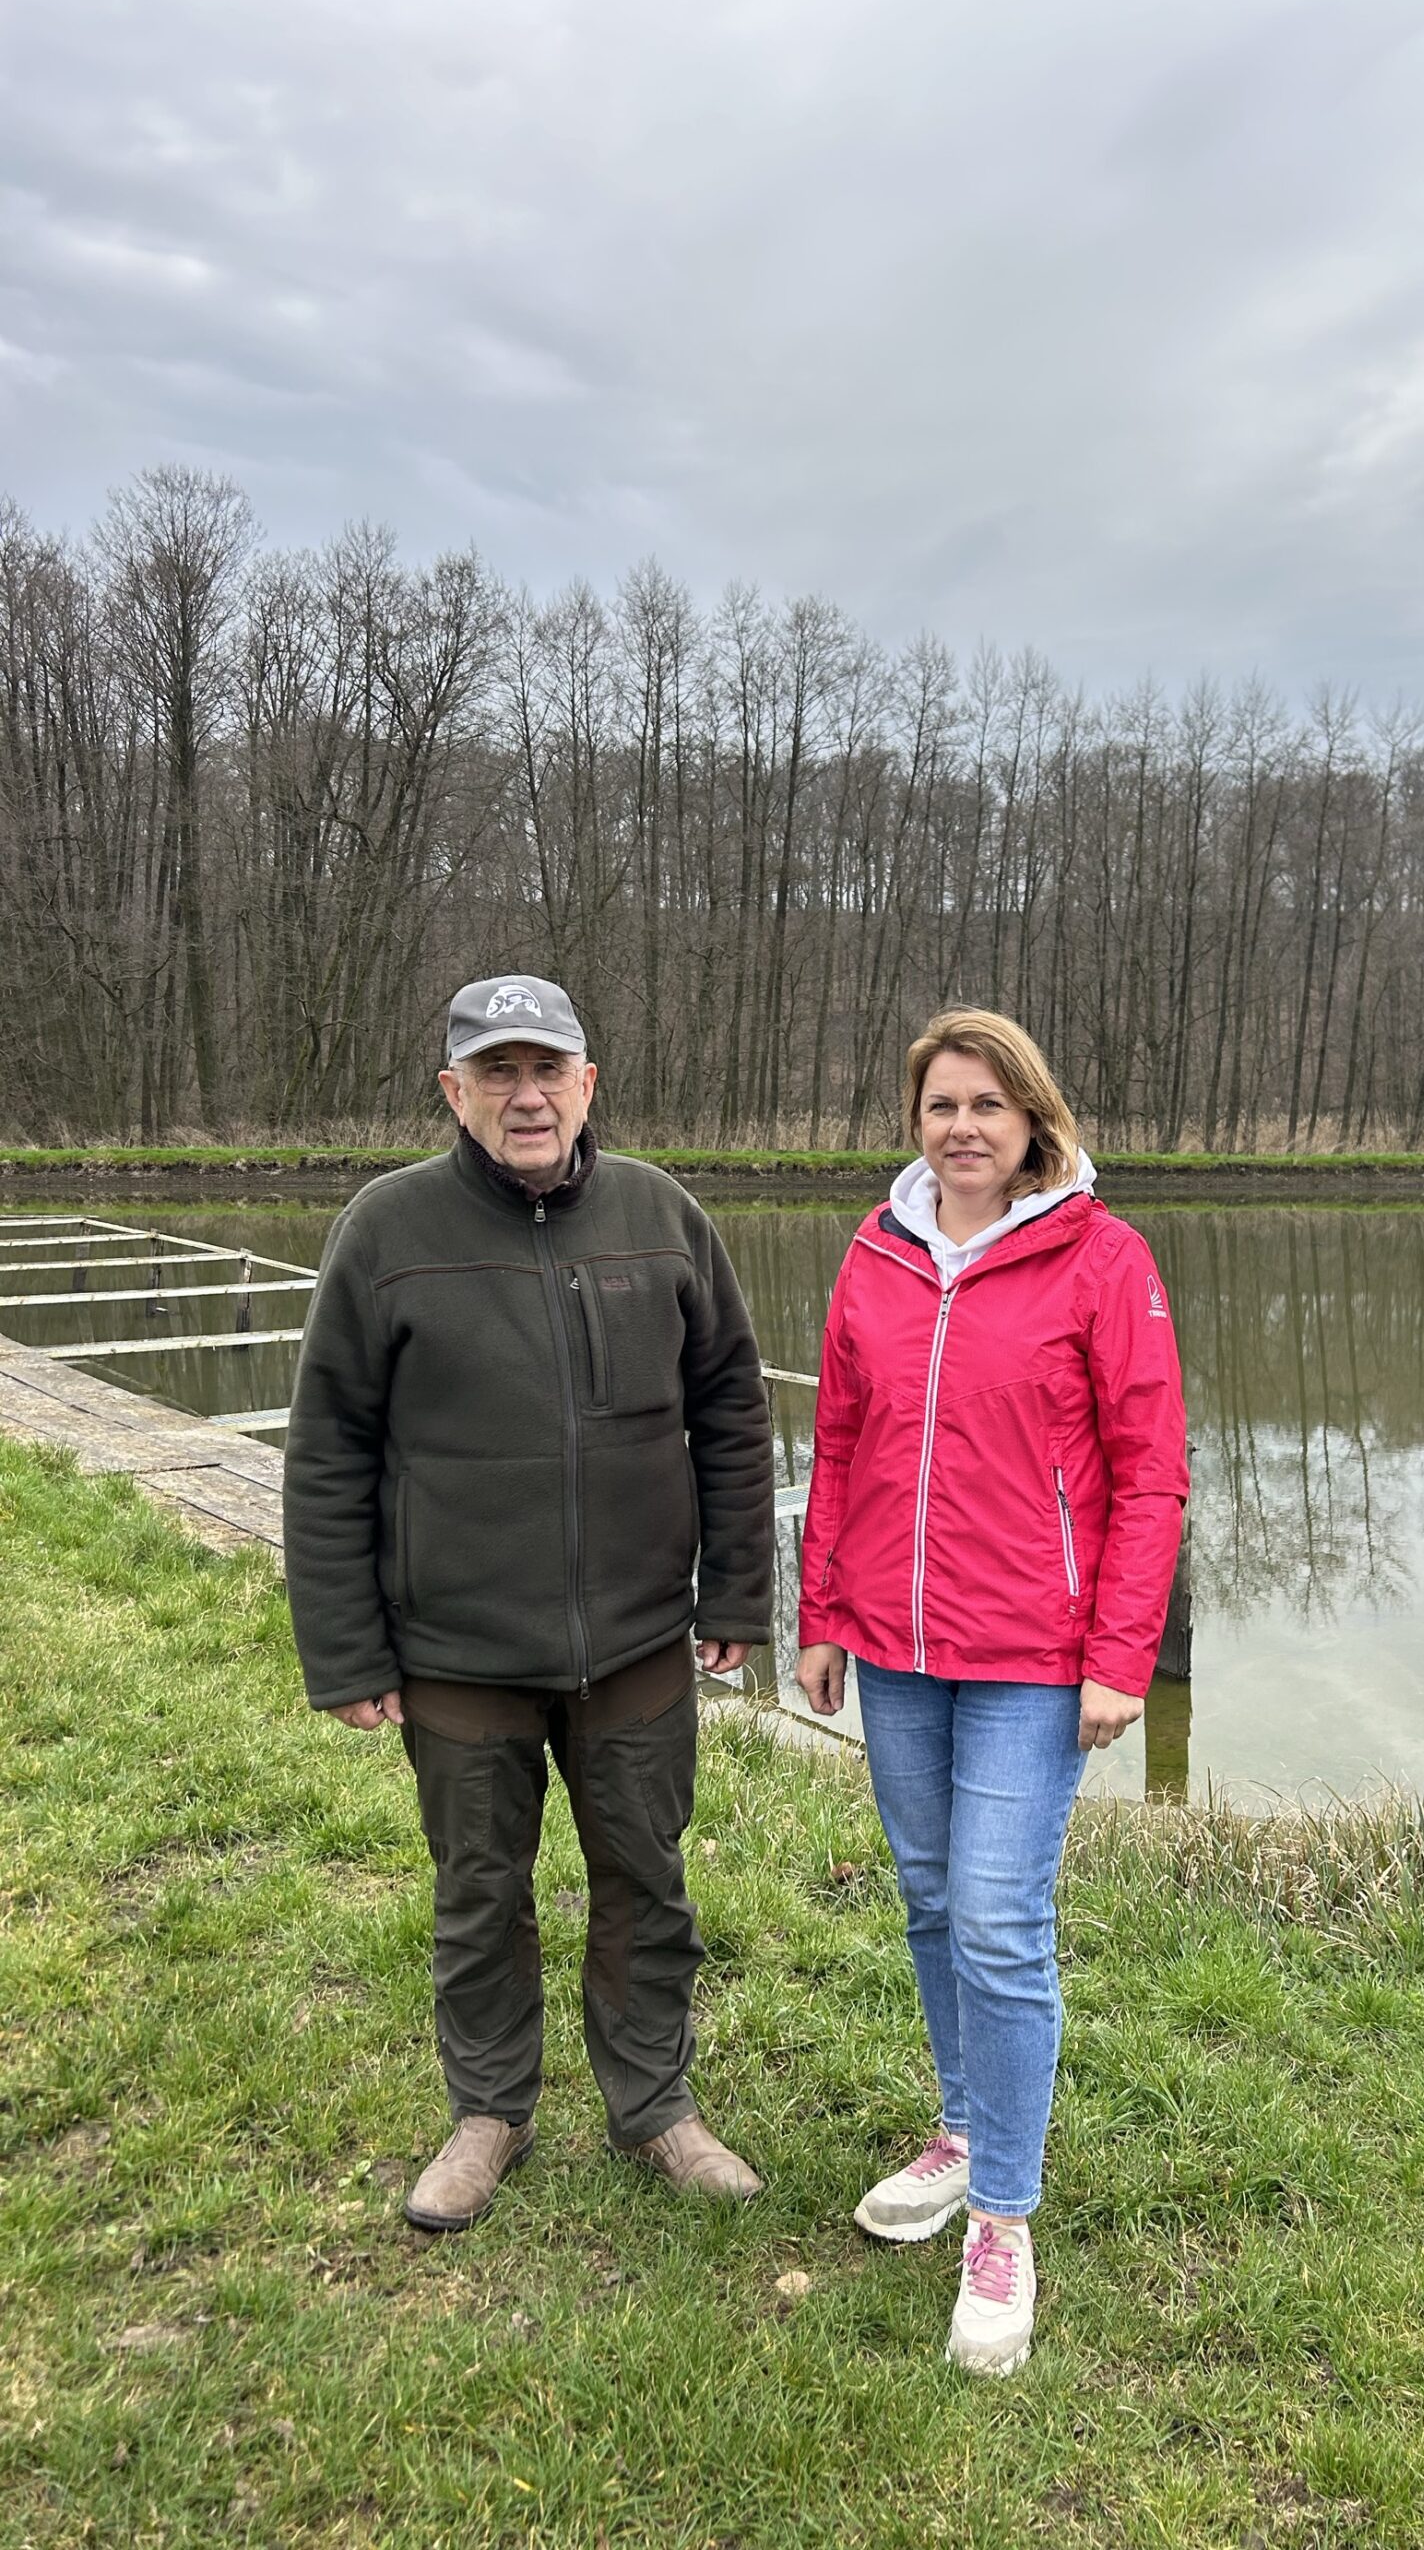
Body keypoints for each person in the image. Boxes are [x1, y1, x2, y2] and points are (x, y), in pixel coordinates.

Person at [283, 974, 773, 2233]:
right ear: (453, 1092)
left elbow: (731, 1408)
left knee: (645, 1880)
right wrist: (345, 1649)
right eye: (496, 1072)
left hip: (638, 1645)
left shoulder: (663, 1217)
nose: (526, 1094)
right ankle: (489, 2110)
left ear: (589, 1082)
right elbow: (330, 1444)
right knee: (479, 1888)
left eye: (546, 1067)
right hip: (457, 1648)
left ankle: (654, 2104)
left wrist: (739, 1591)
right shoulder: (386, 1231)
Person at [795, 1008, 1188, 2373]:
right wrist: (823, 1615)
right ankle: (961, 2133)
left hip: (1034, 1658)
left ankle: (1005, 2221)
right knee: (931, 1898)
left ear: (1033, 1121)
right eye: (940, 1103)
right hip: (896, 1649)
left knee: (1003, 1922)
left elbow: (1151, 1476)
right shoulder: (875, 1254)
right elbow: (838, 1446)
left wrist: (1120, 1658)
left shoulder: (1104, 1258)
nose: (961, 1126)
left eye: (987, 1104)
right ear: (918, 1122)